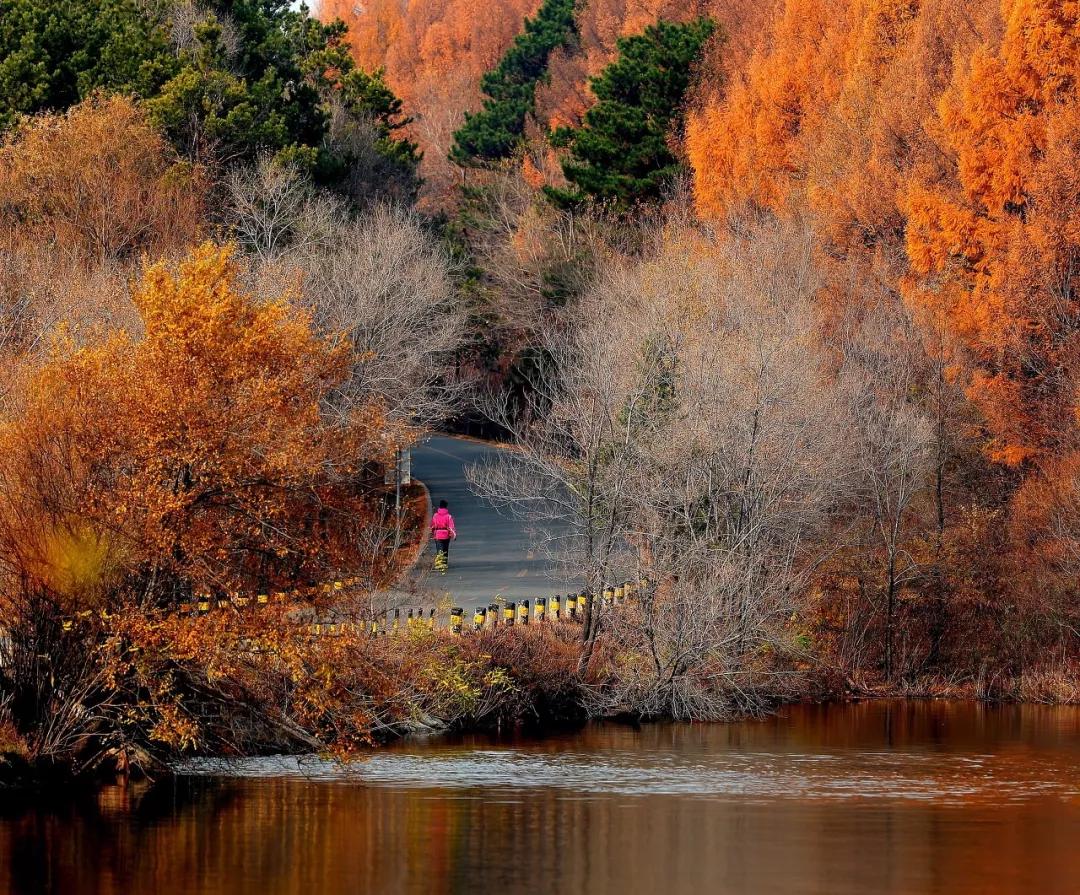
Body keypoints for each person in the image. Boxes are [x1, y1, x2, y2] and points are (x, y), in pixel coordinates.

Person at [430, 500, 456, 571]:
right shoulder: (448, 516)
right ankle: (444, 563)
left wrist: (431, 533)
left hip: (437, 534)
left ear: (439, 506)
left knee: (439, 549)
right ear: (446, 507)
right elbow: (451, 527)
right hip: (446, 535)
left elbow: (432, 526)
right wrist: (454, 535)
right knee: (445, 549)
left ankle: (439, 564)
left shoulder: (435, 516)